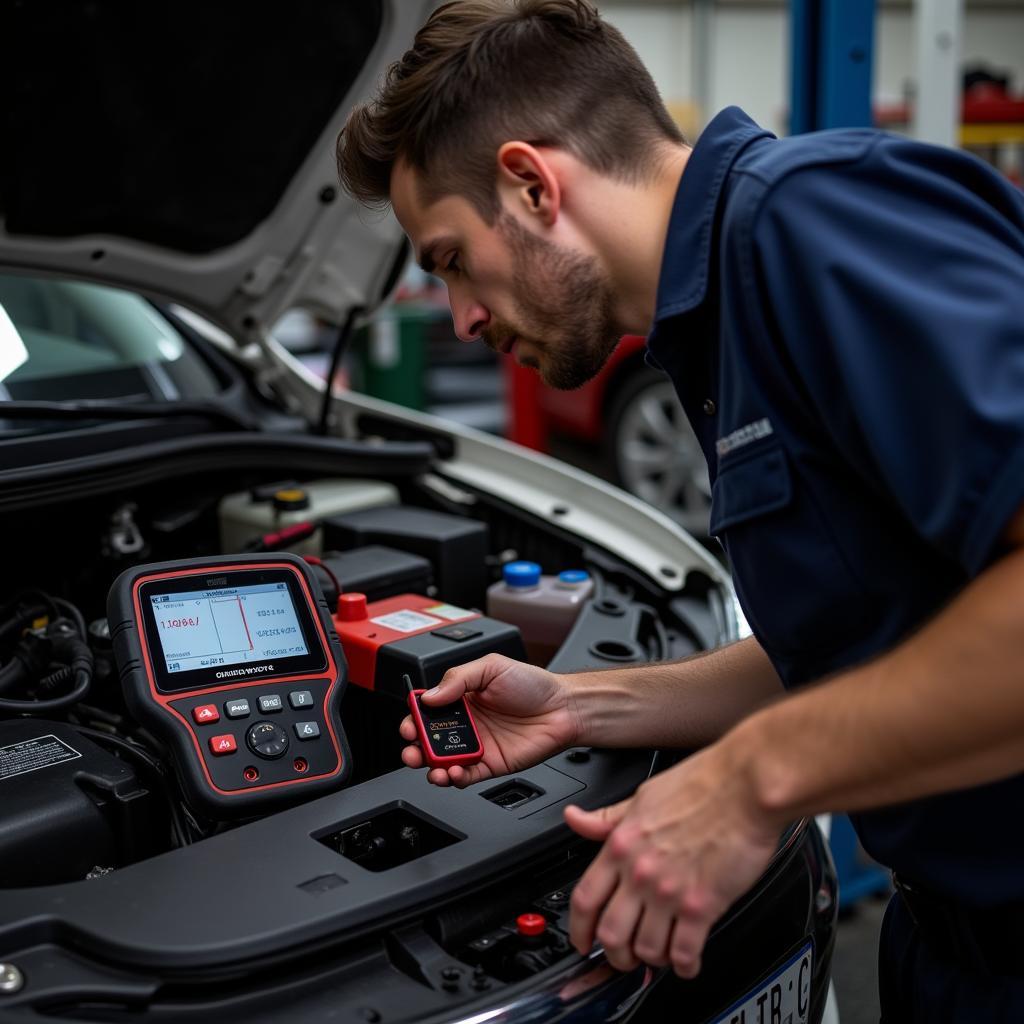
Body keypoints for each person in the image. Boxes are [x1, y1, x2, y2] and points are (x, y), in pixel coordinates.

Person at [335, 1, 1024, 1018]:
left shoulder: (807, 222)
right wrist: (582, 706)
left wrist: (746, 780)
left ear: (530, 184)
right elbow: (871, 632)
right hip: (951, 952)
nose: (464, 317)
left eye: (448, 260)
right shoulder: (718, 325)